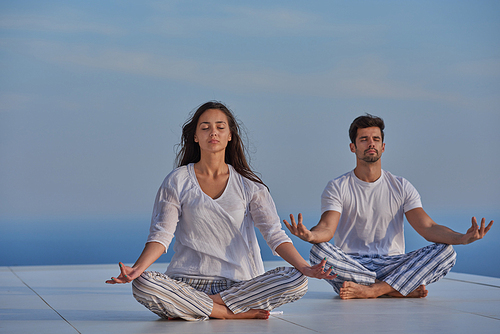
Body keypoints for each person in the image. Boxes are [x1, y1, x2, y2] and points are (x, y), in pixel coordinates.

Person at [106, 101, 335, 321]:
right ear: (195, 137)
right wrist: (137, 269)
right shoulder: (177, 181)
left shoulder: (250, 186)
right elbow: (161, 235)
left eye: (219, 127)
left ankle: (200, 306)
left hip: (240, 285)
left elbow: (274, 235)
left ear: (230, 135)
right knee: (143, 284)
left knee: (297, 279)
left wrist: (306, 268)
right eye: (205, 128)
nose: (212, 132)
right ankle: (225, 312)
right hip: (186, 282)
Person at [284, 114, 493, 300]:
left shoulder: (401, 186)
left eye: (376, 139)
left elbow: (428, 227)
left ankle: (374, 290)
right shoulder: (338, 186)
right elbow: (327, 228)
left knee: (447, 252)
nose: (371, 144)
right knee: (317, 252)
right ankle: (397, 288)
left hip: (393, 264)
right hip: (352, 265)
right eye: (364, 139)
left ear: (383, 146)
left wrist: (462, 238)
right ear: (353, 147)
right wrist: (310, 236)